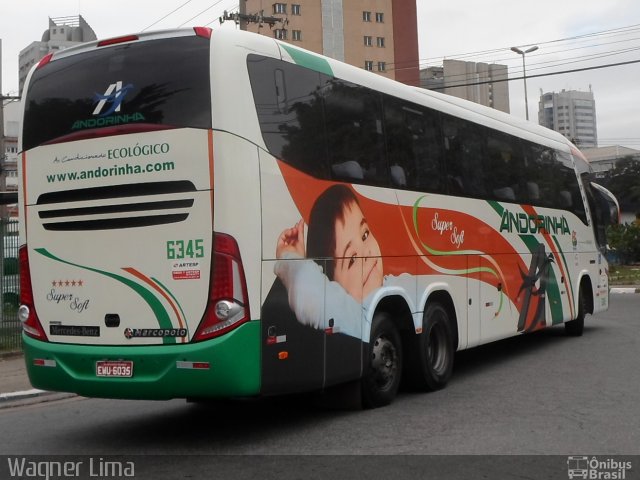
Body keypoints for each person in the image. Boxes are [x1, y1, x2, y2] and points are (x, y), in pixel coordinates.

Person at [275, 184, 414, 340]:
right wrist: (291, 257)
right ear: (333, 286)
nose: (365, 253)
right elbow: (311, 294)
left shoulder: (402, 285)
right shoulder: (355, 316)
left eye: (365, 235)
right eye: (352, 259)